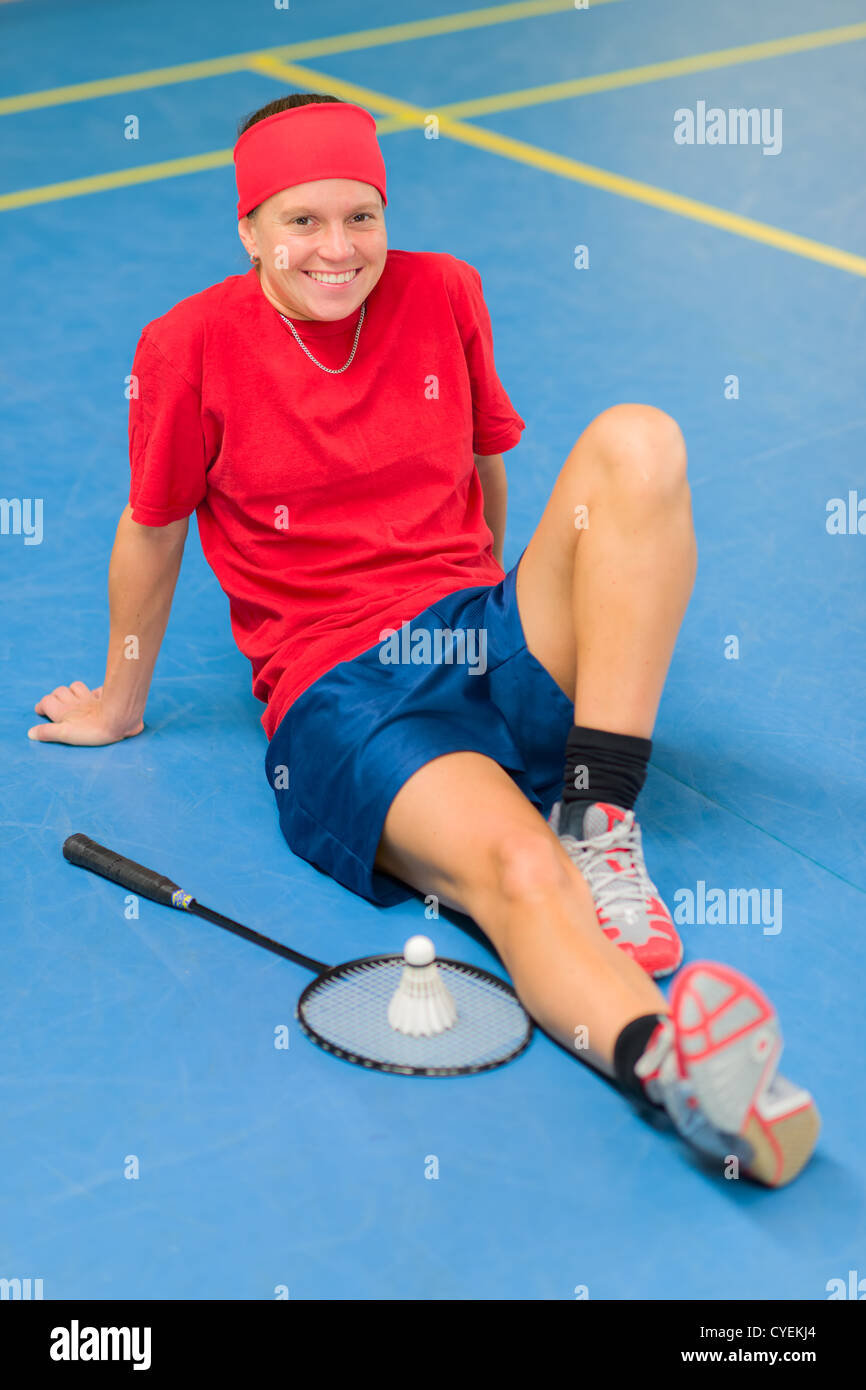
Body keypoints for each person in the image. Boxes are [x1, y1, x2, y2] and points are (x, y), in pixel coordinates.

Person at [29, 93, 819, 1187]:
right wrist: (119, 702)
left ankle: (600, 805)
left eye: (361, 216)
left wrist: (492, 627)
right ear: (249, 228)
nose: (337, 248)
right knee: (513, 867)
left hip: (469, 629)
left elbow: (484, 465)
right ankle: (673, 1071)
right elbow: (150, 533)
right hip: (346, 698)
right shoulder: (188, 345)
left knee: (638, 442)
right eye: (302, 221)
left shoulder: (443, 291)